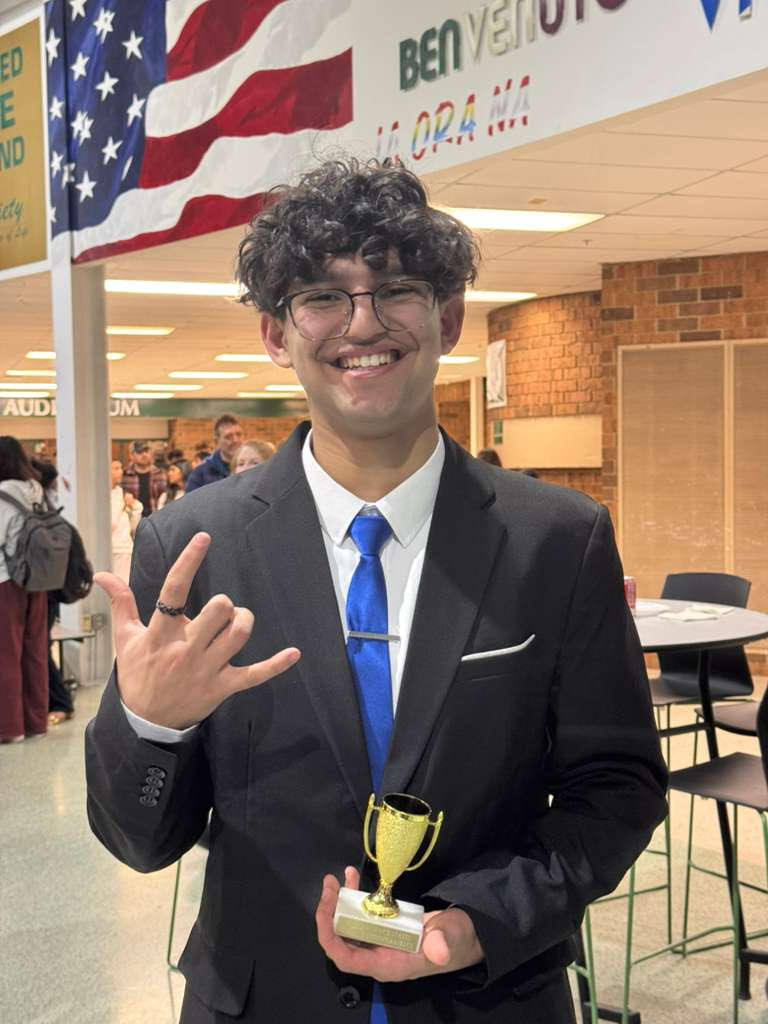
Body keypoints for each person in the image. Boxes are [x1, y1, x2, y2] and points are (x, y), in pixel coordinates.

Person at [86, 159, 667, 1024]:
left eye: (395, 288)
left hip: (490, 997)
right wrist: (150, 725)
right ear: (277, 336)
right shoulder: (193, 551)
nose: (363, 323)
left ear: (449, 315)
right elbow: (141, 843)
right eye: (323, 295)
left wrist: (479, 921)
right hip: (264, 1000)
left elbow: (616, 788)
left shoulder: (557, 539)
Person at [0, 437, 49, 743]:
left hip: (5, 580)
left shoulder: (1, 494)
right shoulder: (36, 490)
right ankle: (36, 722)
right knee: (34, 652)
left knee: (6, 654)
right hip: (38, 578)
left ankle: (9, 727)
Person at [30, 458, 75, 726]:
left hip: (42, 587)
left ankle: (60, 701)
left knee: (39, 647)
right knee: (38, 646)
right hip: (44, 586)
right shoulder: (40, 503)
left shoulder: (39, 506)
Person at [184, 415, 243, 492]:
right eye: (228, 437)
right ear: (216, 441)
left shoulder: (251, 469)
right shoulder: (201, 474)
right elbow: (191, 502)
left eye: (239, 435)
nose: (235, 440)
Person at [110, 460, 143, 584]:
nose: (121, 472)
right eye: (116, 468)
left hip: (124, 548)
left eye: (120, 468)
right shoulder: (100, 494)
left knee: (123, 587)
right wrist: (123, 505)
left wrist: (133, 506)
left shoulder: (121, 492)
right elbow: (111, 524)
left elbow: (134, 525)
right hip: (111, 548)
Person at [122, 441, 167, 516]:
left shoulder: (161, 474)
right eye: (139, 452)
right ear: (131, 455)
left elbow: (165, 498)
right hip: (132, 521)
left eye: (146, 451)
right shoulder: (124, 475)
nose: (144, 454)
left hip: (155, 520)